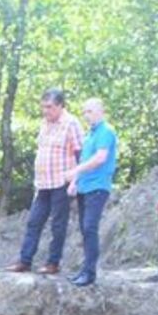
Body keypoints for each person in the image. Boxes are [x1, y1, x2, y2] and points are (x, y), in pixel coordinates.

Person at [5, 89, 83, 275]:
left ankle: (53, 263)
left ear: (60, 106)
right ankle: (25, 261)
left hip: (61, 182)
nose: (45, 111)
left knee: (58, 224)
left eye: (49, 107)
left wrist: (77, 180)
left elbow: (81, 154)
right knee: (34, 222)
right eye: (43, 107)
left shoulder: (71, 124)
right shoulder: (44, 123)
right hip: (43, 184)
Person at [65, 98, 118, 287]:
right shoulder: (89, 136)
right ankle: (84, 270)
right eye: (85, 112)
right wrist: (75, 181)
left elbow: (100, 159)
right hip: (84, 187)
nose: (87, 115)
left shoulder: (106, 131)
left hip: (98, 186)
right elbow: (84, 160)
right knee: (85, 230)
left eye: (90, 111)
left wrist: (75, 172)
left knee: (89, 227)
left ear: (101, 111)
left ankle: (90, 273)